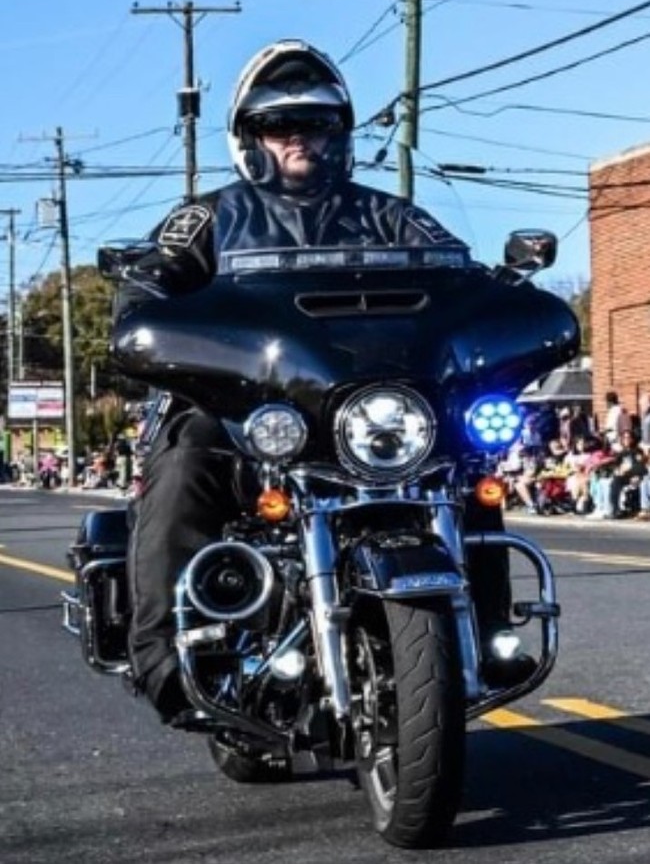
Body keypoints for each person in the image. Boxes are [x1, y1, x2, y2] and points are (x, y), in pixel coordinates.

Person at [116, 39, 533, 721]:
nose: (299, 136)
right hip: (252, 415)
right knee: (185, 453)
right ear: (249, 137)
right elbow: (147, 287)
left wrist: (507, 296)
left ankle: (488, 632)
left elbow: (468, 284)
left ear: (340, 132)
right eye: (279, 124)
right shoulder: (208, 218)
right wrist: (146, 299)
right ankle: (164, 656)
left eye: (316, 122)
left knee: (466, 462)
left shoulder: (394, 217)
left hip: (374, 416)